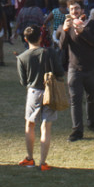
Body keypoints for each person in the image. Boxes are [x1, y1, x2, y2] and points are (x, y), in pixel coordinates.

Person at [16, 24, 64, 171]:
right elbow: (60, 72)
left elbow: (23, 81)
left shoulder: (22, 57)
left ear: (25, 39)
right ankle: (43, 162)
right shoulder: (49, 52)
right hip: (50, 90)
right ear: (41, 37)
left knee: (30, 125)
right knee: (46, 126)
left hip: (33, 91)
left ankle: (30, 158)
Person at [59, 0, 94, 142]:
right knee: (75, 100)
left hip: (92, 68)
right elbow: (62, 46)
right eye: (71, 9)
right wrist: (65, 31)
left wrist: (83, 32)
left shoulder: (92, 24)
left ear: (82, 10)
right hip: (75, 69)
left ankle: (93, 123)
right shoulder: (67, 26)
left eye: (77, 8)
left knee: (92, 97)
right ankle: (77, 130)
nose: (74, 11)